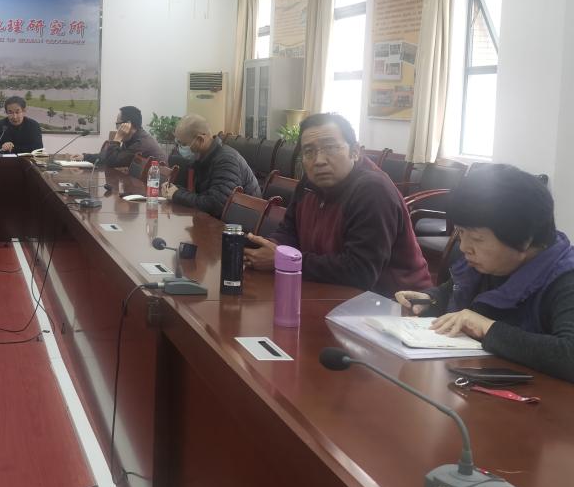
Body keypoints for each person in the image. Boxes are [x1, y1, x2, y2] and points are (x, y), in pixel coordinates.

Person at [396, 165, 574, 382]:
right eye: (461, 232)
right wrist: (429, 300)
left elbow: (569, 355)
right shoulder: (486, 263)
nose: (464, 247)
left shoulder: (565, 278)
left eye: (477, 238)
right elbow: (451, 291)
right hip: (470, 383)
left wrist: (487, 328)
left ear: (525, 239)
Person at [244, 113, 430, 296]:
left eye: (330, 148)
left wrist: (285, 260)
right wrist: (266, 248)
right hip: (331, 292)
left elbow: (360, 271)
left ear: (355, 151)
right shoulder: (309, 184)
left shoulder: (373, 191)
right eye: (309, 152)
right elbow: (288, 232)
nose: (319, 161)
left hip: (394, 304)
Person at [160, 114, 260, 218]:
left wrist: (177, 194)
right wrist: (176, 190)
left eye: (184, 144)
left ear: (200, 139)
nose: (179, 148)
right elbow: (203, 196)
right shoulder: (203, 157)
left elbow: (216, 205)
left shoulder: (225, 160)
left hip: (241, 223)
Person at [85, 106, 164, 168]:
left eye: (117, 124)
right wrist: (85, 157)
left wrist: (117, 138)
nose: (116, 128)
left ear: (127, 125)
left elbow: (112, 162)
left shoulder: (141, 143)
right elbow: (110, 157)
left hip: (154, 184)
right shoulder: (133, 138)